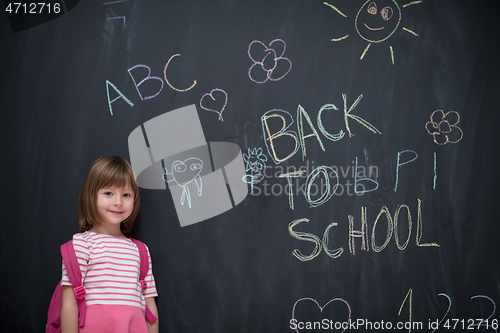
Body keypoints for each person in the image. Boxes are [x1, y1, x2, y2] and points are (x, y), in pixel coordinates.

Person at [60, 156, 159, 333]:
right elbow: (69, 304)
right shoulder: (82, 244)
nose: (118, 202)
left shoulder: (140, 250)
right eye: (108, 193)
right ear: (92, 196)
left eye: (126, 195)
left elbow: (149, 304)